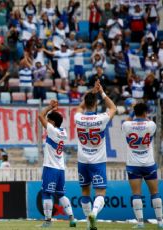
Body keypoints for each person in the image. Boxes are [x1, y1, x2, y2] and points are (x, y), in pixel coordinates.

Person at [75, 80, 117, 230]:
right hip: (97, 161)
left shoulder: (78, 117)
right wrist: (101, 92)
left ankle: (88, 223)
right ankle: (94, 213)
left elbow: (80, 106)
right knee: (100, 192)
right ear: (96, 105)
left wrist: (92, 91)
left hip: (82, 160)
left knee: (85, 191)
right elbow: (113, 107)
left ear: (85, 104)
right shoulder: (101, 118)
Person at [121, 103, 162, 229]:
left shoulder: (127, 125)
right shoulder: (151, 125)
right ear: (145, 113)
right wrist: (144, 116)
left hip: (133, 165)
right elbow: (148, 120)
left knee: (136, 194)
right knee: (155, 193)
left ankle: (140, 223)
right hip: (148, 164)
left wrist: (133, 112)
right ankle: (160, 222)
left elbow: (127, 121)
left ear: (134, 112)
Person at [38, 99, 76, 228]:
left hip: (50, 167)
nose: (47, 122)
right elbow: (53, 120)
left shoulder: (52, 130)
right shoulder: (63, 132)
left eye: (49, 121)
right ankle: (72, 218)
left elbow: (40, 116)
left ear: (52, 122)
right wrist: (54, 110)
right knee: (60, 194)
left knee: (46, 193)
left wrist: (49, 107)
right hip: (61, 168)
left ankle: (48, 221)